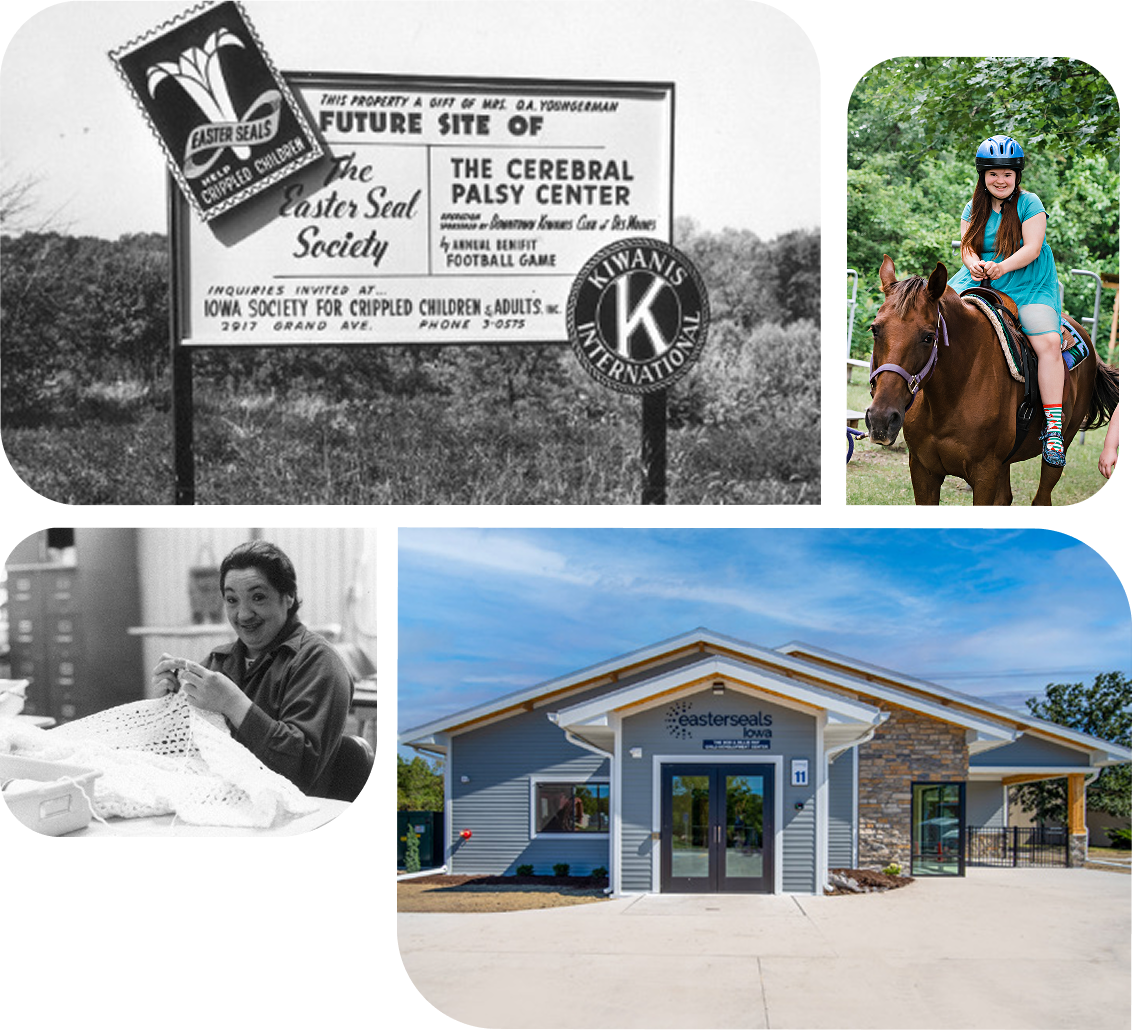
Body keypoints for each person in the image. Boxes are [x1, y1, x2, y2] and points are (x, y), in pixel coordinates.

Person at [153, 540, 353, 797]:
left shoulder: (318, 662)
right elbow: (177, 755)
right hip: (219, 805)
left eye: (258, 597)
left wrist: (234, 703)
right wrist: (164, 708)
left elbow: (299, 771)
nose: (243, 614)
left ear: (288, 596)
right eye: (232, 600)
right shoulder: (219, 662)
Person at [948, 135, 1067, 466]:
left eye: (1007, 174)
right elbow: (967, 244)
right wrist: (972, 261)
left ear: (1017, 176)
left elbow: (1031, 248)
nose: (1000, 180)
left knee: (1046, 342)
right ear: (982, 175)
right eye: (993, 174)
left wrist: (1001, 265)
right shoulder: (973, 206)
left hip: (1027, 279)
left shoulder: (1030, 203)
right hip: (981, 275)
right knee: (931, 319)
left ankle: (1054, 426)